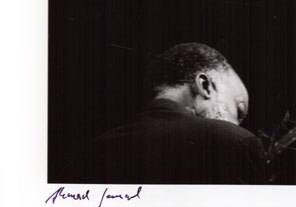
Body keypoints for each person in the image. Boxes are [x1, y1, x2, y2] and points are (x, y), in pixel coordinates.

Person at [79, 43, 267, 184]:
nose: (237, 123)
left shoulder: (95, 149)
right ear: (205, 85)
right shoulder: (235, 142)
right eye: (239, 110)